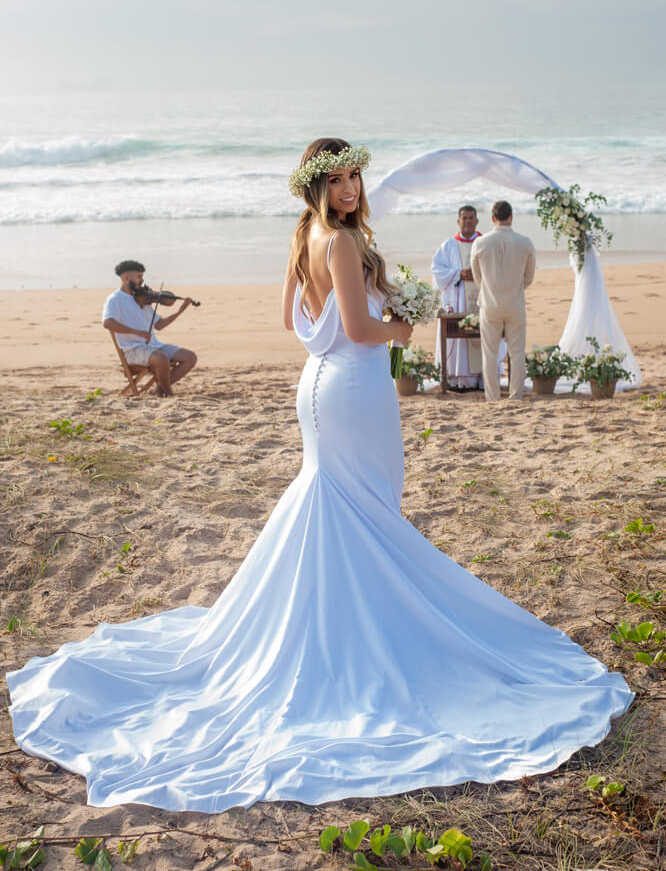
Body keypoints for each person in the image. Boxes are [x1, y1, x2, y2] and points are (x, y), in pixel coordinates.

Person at [7, 140, 631, 814]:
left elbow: (290, 320)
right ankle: (359, 632)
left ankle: (336, 621)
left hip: (318, 384)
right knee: (365, 507)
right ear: (315, 185)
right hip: (354, 386)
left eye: (355, 176)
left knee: (340, 503)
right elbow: (360, 329)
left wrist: (355, 322)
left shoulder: (303, 235)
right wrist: (399, 327)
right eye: (336, 180)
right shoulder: (339, 241)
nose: (350, 188)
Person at [470, 200, 536, 401]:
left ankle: (492, 397)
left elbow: (477, 278)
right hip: (515, 303)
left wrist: (490, 288)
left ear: (492, 218)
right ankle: (515, 396)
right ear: (511, 217)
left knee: (490, 354)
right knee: (517, 353)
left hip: (490, 304)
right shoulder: (525, 242)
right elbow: (529, 277)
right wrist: (515, 287)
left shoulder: (480, 243)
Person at [102, 260, 197, 397]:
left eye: (142, 276)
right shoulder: (115, 299)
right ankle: (168, 394)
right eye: (139, 276)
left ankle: (159, 389)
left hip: (154, 346)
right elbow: (107, 323)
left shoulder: (143, 298)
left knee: (190, 357)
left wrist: (179, 311)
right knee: (162, 359)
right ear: (126, 277)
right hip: (132, 350)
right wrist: (136, 332)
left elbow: (159, 325)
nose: (142, 280)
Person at [431, 206, 483, 390]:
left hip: (480, 301)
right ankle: (458, 380)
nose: (467, 221)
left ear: (477, 221)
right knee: (457, 339)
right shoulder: (448, 246)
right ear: (458, 221)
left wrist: (477, 275)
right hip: (457, 301)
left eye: (471, 218)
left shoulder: (484, 243)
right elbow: (437, 270)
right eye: (464, 218)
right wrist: (459, 274)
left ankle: (481, 379)